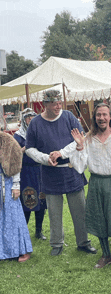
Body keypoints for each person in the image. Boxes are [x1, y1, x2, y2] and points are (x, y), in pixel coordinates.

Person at [51, 103, 111, 268]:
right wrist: (79, 146)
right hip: (96, 182)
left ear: (110, 116)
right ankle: (106, 255)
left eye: (105, 115)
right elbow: (80, 166)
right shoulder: (88, 139)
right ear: (94, 118)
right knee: (100, 219)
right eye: (98, 115)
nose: (102, 118)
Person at [25, 90, 96, 256]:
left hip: (71, 170)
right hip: (49, 173)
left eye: (59, 102)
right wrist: (45, 158)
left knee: (79, 209)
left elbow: (80, 138)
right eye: (54, 103)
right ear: (45, 104)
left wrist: (61, 153)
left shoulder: (68, 117)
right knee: (54, 212)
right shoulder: (35, 123)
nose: (58, 106)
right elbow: (29, 148)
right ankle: (56, 243)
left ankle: (83, 242)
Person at [14, 108, 47, 240]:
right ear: (23, 120)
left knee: (41, 200)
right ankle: (24, 232)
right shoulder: (18, 136)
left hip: (39, 170)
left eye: (33, 117)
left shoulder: (39, 133)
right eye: (28, 118)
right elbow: (14, 155)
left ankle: (38, 231)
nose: (31, 120)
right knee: (27, 200)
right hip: (26, 172)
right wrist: (24, 149)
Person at [0, 131, 32, 262]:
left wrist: (16, 185)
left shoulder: (8, 141)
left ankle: (20, 249)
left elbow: (16, 162)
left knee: (13, 218)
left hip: (7, 185)